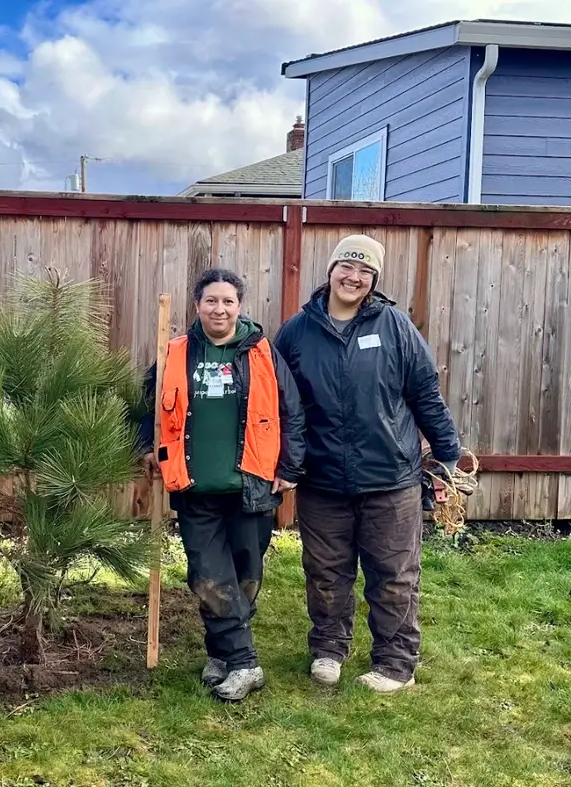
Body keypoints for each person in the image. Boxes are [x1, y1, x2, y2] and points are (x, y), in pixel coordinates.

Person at [274, 234, 461, 694]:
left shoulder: (395, 326)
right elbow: (276, 403)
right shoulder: (297, 332)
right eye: (346, 267)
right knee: (325, 572)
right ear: (331, 269)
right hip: (322, 479)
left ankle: (396, 662)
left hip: (390, 478)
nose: (353, 277)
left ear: (374, 280)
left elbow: (424, 393)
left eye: (364, 271)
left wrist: (447, 452)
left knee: (394, 575)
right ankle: (328, 649)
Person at [139, 268, 306, 702]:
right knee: (208, 576)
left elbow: (293, 411)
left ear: (239, 306)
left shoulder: (261, 353)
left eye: (228, 301)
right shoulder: (175, 352)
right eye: (211, 300)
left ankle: (223, 652)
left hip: (252, 484)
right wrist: (144, 446)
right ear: (197, 306)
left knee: (246, 575)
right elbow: (145, 404)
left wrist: (290, 466)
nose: (220, 308)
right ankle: (245, 663)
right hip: (194, 487)